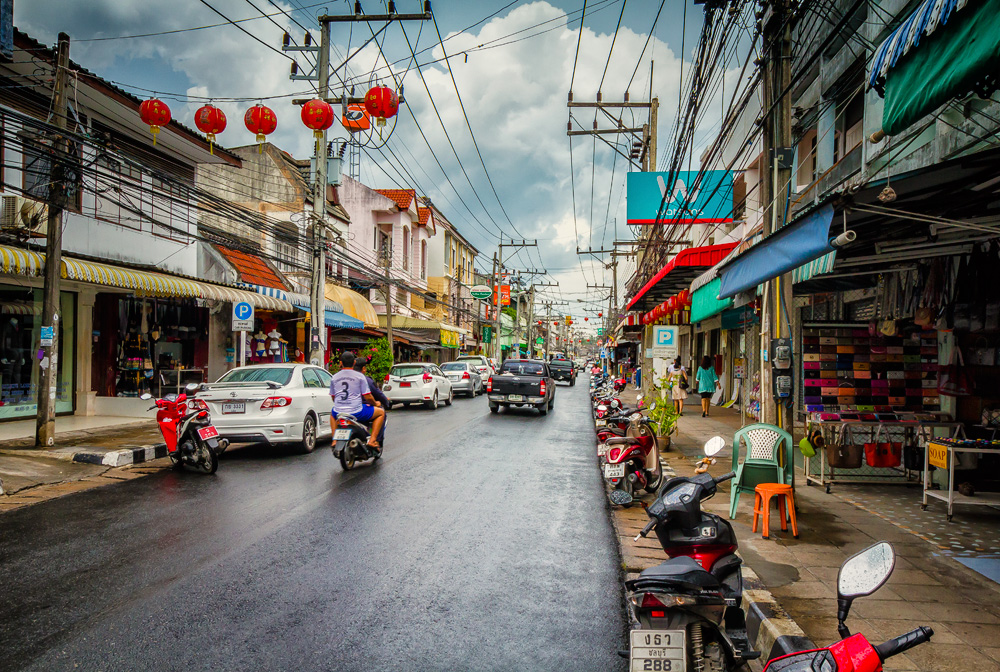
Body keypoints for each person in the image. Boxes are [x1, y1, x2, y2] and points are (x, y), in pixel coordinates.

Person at [329, 351, 384, 451]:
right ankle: (372, 440)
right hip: (357, 411)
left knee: (332, 414)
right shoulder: (360, 376)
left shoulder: (334, 377)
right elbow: (367, 396)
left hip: (339, 411)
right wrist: (376, 403)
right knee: (381, 413)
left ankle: (334, 440)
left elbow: (333, 397)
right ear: (354, 363)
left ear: (340, 363)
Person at [353, 355, 390, 447]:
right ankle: (374, 440)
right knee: (381, 413)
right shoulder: (366, 380)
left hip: (343, 409)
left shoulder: (343, 378)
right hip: (361, 409)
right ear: (364, 368)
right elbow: (374, 395)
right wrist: (385, 402)